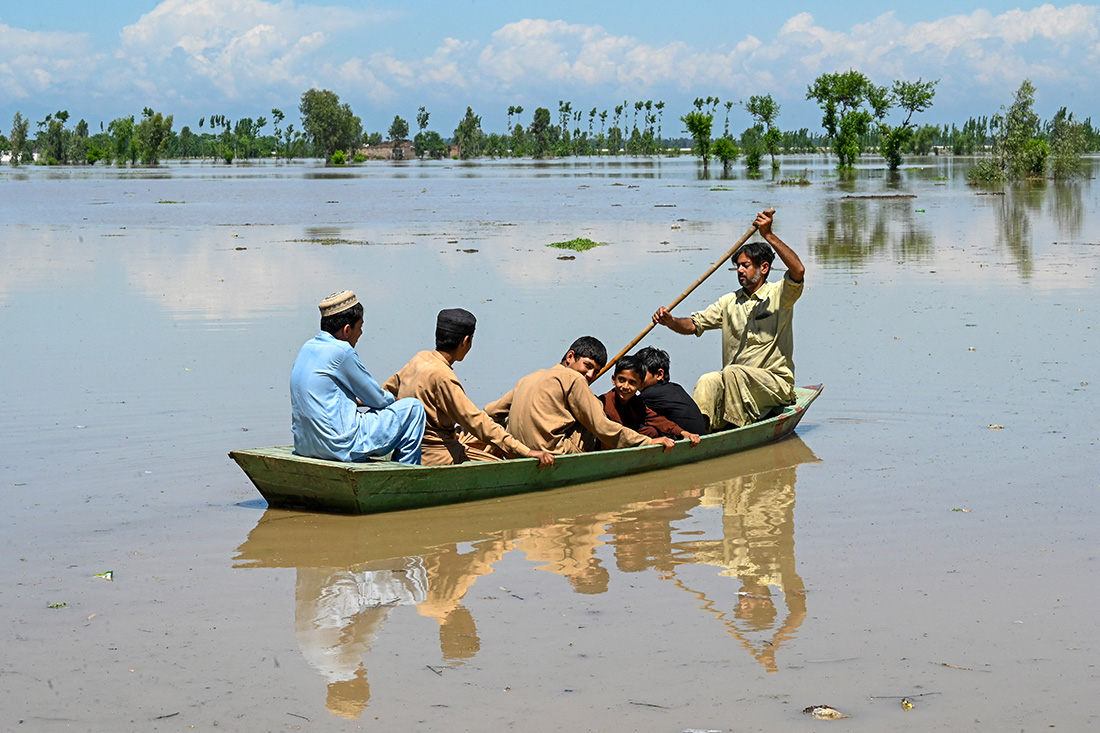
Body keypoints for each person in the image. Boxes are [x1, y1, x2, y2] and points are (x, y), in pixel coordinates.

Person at [653, 210, 805, 429]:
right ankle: (698, 431)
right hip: (736, 384)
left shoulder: (779, 296)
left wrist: (768, 235)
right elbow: (694, 324)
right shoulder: (729, 301)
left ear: (764, 268)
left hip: (774, 384)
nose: (740, 271)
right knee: (709, 379)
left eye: (746, 265)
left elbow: (798, 270)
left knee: (733, 372)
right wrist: (670, 321)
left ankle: (736, 428)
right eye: (738, 266)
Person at [382, 308, 554, 468]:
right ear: (466, 341)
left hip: (410, 445)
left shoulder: (420, 358)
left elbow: (386, 390)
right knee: (495, 458)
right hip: (439, 455)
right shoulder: (443, 376)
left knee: (476, 436)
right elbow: (476, 421)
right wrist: (526, 451)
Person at [290, 290, 426, 464]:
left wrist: (359, 401)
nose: (361, 333)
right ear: (347, 330)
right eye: (360, 327)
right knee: (413, 409)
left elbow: (328, 396)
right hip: (338, 445)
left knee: (372, 413)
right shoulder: (342, 351)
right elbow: (378, 399)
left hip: (304, 445)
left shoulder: (307, 348)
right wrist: (395, 399)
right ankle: (406, 475)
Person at [484, 336, 675, 455]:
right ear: (570, 357)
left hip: (520, 451)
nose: (590, 375)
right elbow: (602, 427)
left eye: (596, 371)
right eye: (587, 366)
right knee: (595, 410)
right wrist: (647, 441)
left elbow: (491, 411)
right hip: (552, 452)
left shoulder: (530, 377)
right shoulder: (574, 379)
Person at [597, 355, 700, 449]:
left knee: (651, 431)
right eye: (622, 380)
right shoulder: (603, 402)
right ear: (613, 380)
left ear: (640, 386)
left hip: (632, 443)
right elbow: (610, 433)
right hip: (610, 445)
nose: (625, 387)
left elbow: (658, 420)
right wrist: (649, 442)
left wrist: (683, 433)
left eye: (632, 382)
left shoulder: (637, 404)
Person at [634, 346, 708, 437]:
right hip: (699, 437)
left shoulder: (649, 395)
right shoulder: (675, 387)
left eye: (641, 374)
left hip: (685, 440)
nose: (635, 378)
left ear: (659, 375)